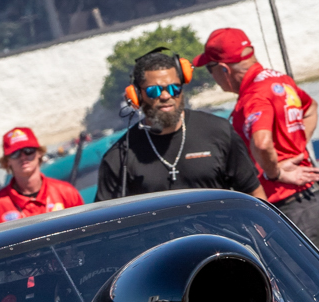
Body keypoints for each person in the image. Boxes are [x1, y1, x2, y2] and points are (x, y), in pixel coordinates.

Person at [196, 28, 319, 260]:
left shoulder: (254, 96)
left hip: (289, 206)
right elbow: (311, 109)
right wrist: (296, 147)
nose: (213, 78)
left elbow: (261, 142)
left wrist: (275, 172)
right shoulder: (277, 79)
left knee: (306, 290)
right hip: (312, 201)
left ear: (224, 69)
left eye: (210, 70)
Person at [96, 50, 264, 203]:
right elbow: (105, 220)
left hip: (218, 236)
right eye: (154, 91)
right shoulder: (120, 157)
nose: (166, 96)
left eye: (174, 88)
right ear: (137, 95)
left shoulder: (218, 131)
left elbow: (253, 193)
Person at [0, 127, 85, 226]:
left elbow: (86, 231)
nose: (23, 157)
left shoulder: (66, 192)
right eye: (15, 153)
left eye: (28, 150)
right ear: (7, 161)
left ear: (39, 153)